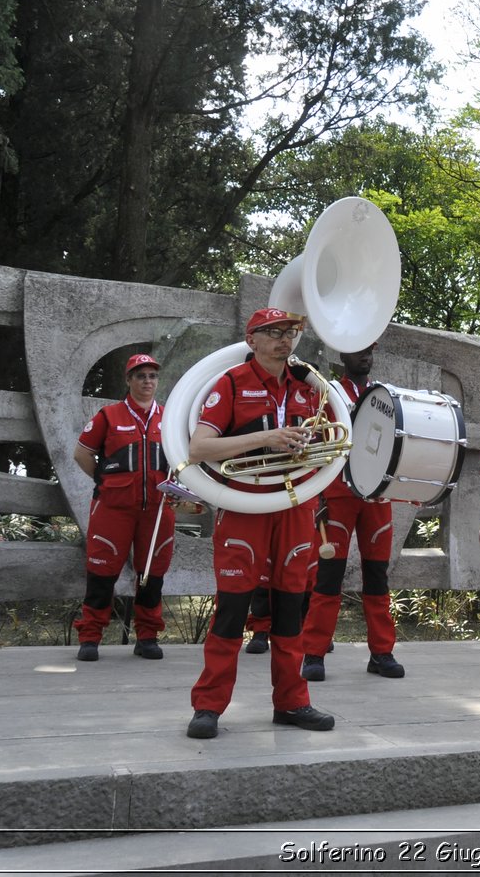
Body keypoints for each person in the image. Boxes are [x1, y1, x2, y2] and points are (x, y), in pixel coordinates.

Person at [186, 309, 336, 739]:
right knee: (232, 610)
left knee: (292, 610)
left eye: (289, 333)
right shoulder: (231, 383)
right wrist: (267, 438)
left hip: (294, 506)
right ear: (251, 340)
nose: (283, 340)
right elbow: (200, 447)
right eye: (272, 333)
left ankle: (292, 702)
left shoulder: (310, 388)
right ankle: (209, 706)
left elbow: (331, 442)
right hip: (245, 505)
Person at [300, 343, 404, 682]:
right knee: (328, 576)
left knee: (378, 576)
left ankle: (382, 653)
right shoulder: (327, 394)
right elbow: (313, 447)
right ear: (341, 357)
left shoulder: (384, 395)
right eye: (358, 351)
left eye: (370, 350)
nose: (366, 356)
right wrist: (314, 493)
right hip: (337, 494)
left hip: (376, 498)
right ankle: (314, 653)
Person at [71, 353, 181, 661]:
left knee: (152, 574)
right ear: (128, 380)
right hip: (113, 510)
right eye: (141, 376)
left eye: (152, 376)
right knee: (101, 573)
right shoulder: (109, 415)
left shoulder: (171, 417)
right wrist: (105, 481)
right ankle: (90, 637)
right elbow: (81, 454)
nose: (148, 381)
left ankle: (147, 637)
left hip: (158, 510)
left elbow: (184, 458)